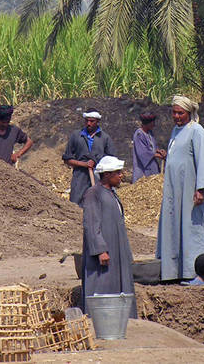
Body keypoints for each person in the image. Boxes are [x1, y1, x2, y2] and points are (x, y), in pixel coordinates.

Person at [156, 95, 204, 281]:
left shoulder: (197, 131)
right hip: (175, 190)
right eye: (174, 112)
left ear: (189, 113)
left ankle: (198, 273)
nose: (176, 116)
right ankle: (176, 272)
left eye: (180, 113)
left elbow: (203, 161)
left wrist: (201, 189)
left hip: (191, 192)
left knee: (194, 230)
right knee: (175, 228)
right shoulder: (176, 131)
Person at [80, 155, 137, 318]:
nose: (121, 175)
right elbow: (91, 224)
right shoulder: (93, 193)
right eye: (117, 172)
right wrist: (100, 250)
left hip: (116, 248)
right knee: (103, 284)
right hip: (104, 251)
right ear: (106, 174)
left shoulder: (112, 193)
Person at [63, 108, 116, 206]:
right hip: (79, 176)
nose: (89, 123)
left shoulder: (105, 138)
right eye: (87, 121)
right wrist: (84, 164)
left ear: (98, 122)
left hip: (99, 176)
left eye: (92, 121)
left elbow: (111, 160)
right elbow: (67, 159)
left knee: (98, 203)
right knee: (76, 203)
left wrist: (96, 162)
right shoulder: (76, 136)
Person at [131, 112, 165, 183]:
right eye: (152, 123)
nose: (154, 125)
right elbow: (143, 153)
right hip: (142, 169)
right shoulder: (139, 134)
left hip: (152, 166)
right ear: (147, 123)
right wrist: (157, 155)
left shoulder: (150, 133)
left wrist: (159, 151)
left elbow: (153, 147)